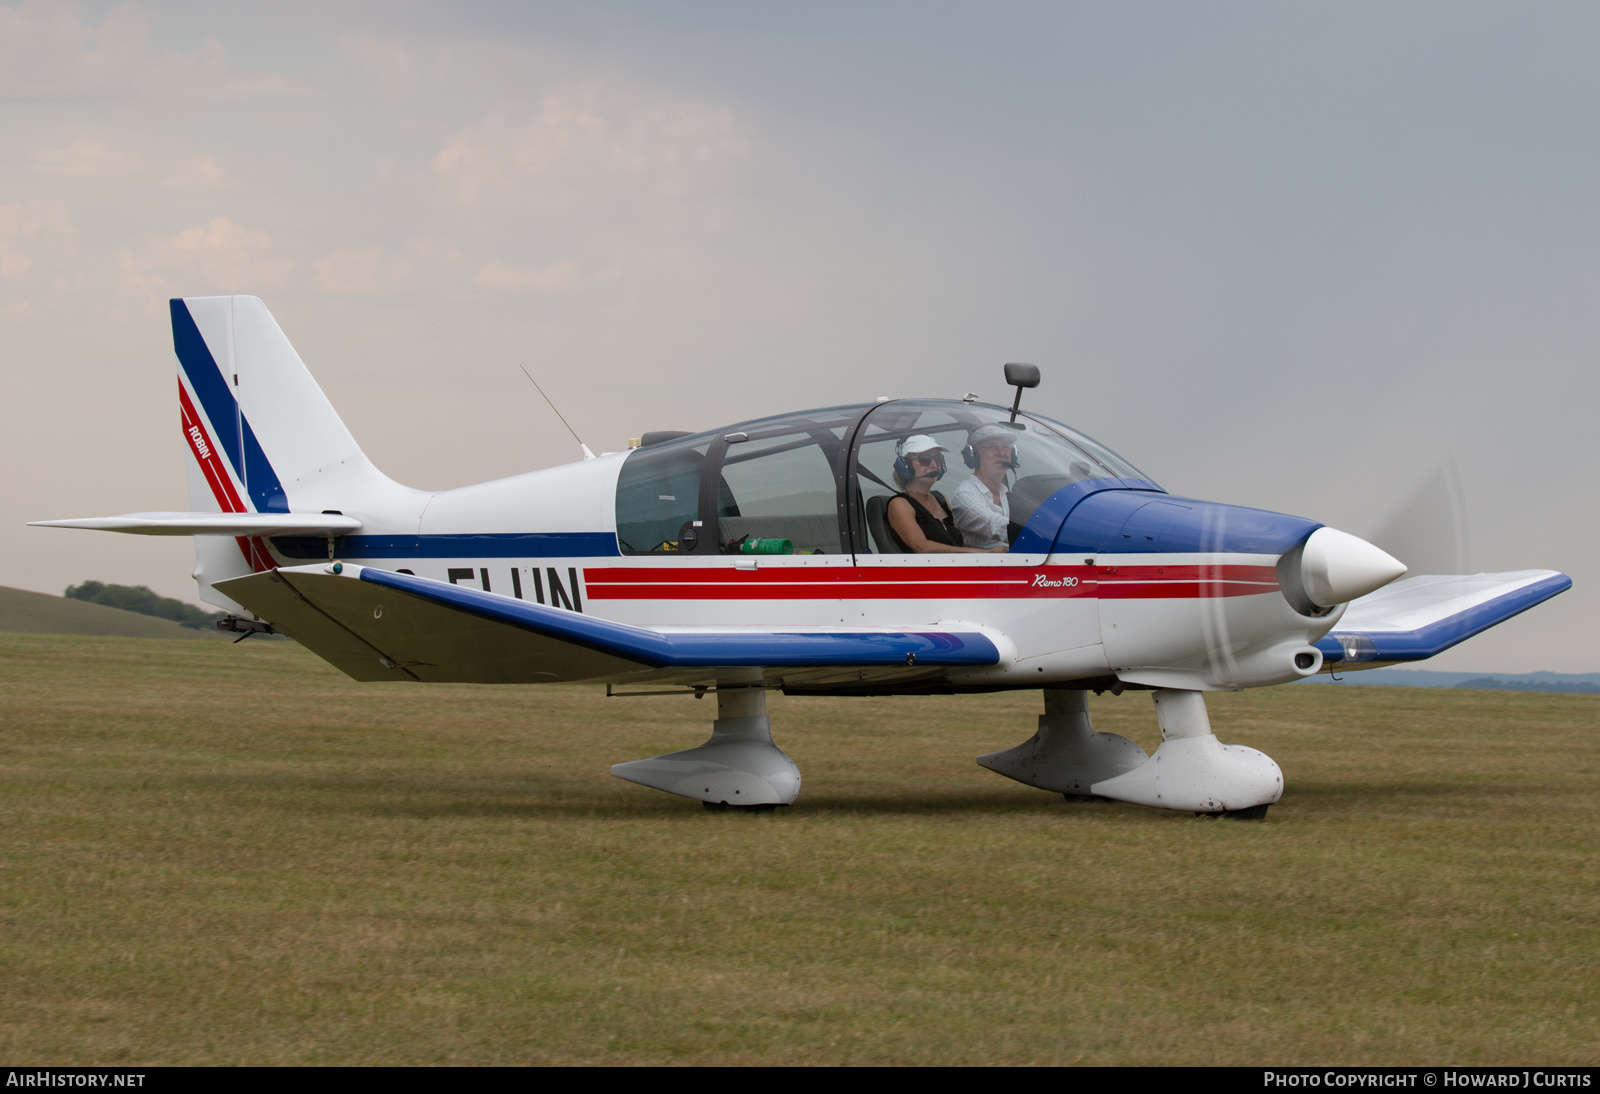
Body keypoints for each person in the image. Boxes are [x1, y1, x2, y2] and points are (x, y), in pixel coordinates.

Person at [885, 435, 1003, 553]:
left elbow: (958, 544)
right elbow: (921, 546)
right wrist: (979, 552)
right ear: (906, 466)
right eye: (925, 459)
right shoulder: (900, 504)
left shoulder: (941, 499)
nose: (934, 464)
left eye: (938, 459)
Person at [950, 423, 1015, 550]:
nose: (1001, 453)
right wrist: (1040, 531)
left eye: (1006, 446)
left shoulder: (1006, 494)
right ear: (973, 455)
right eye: (992, 447)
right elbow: (995, 525)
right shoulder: (964, 494)